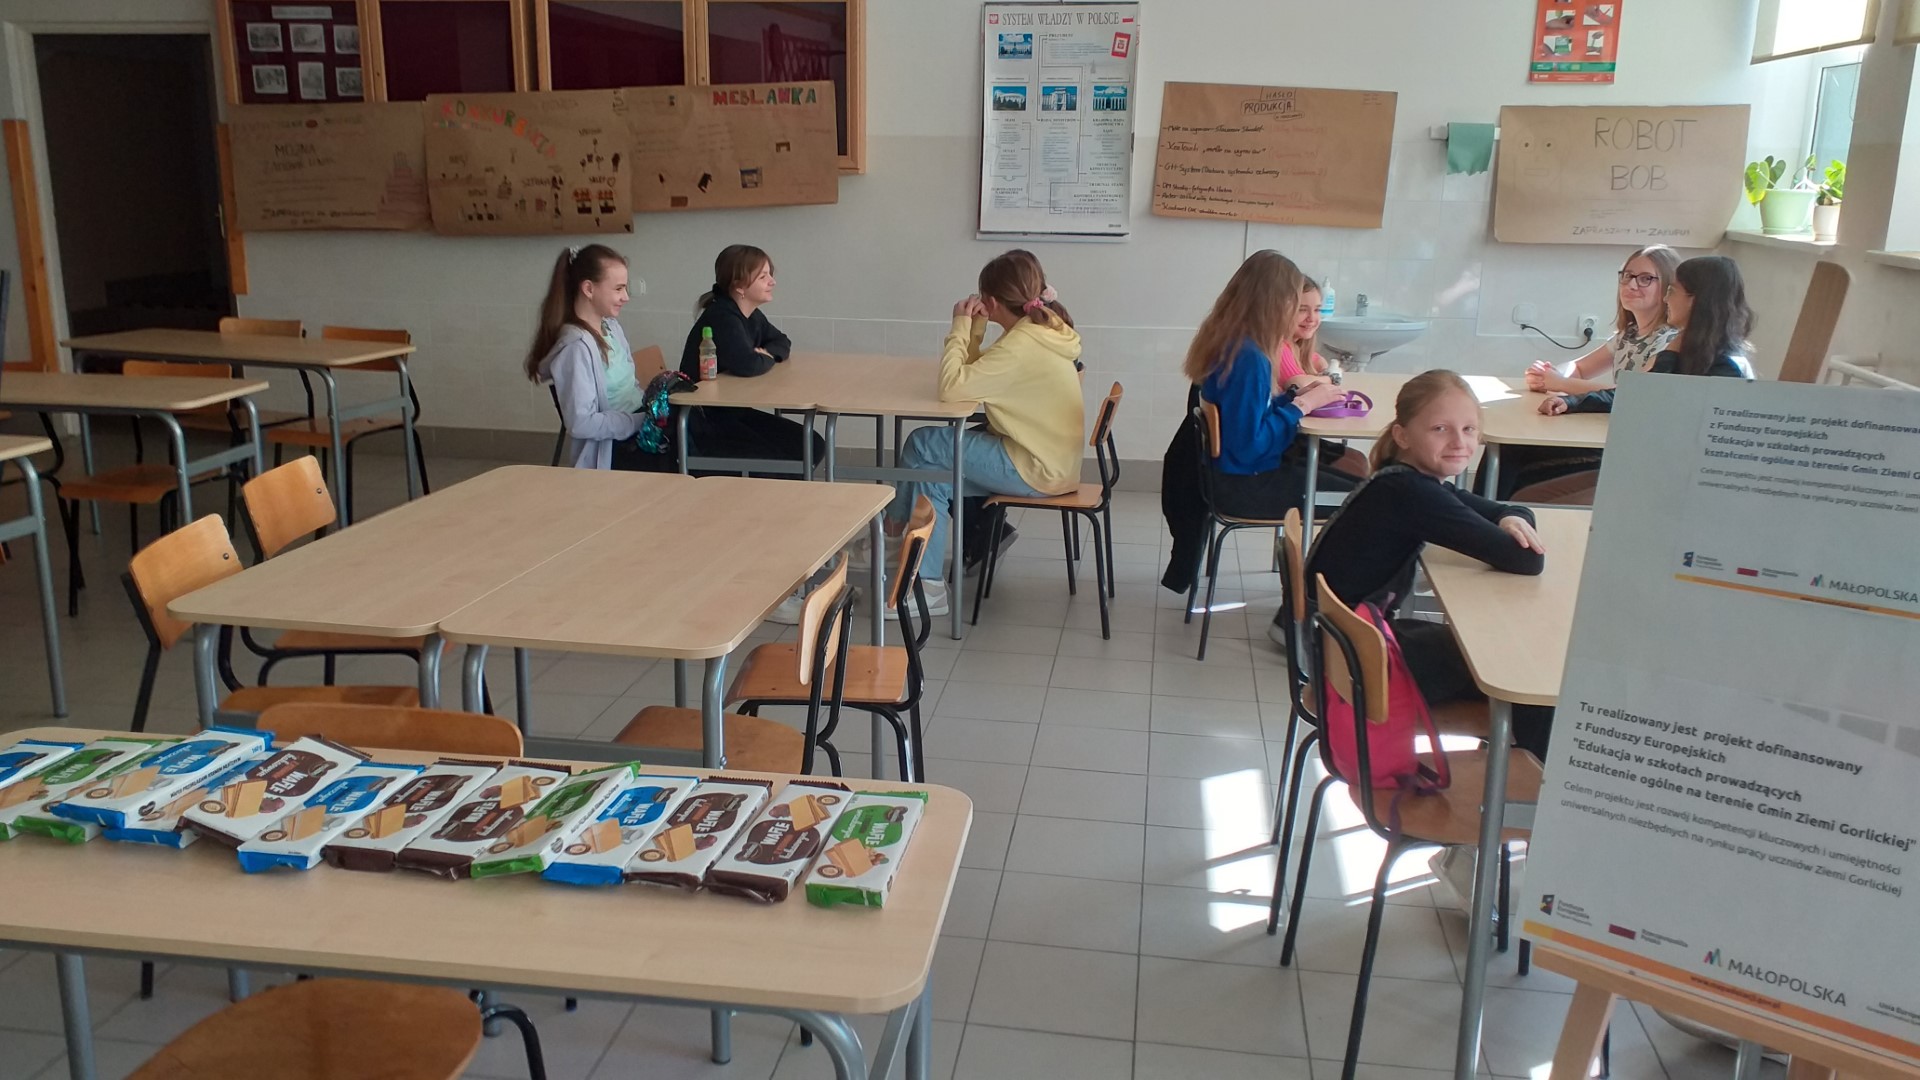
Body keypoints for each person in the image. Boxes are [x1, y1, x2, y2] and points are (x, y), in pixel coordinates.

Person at [1294, 369, 1550, 908]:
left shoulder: (1403, 480)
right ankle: (1498, 841)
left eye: (1470, 430)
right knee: (1526, 682)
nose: (1459, 442)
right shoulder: (1411, 492)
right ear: (1404, 434)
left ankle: (1490, 838)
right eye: (1440, 429)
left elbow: (1500, 513)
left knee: (1502, 663)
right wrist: (1511, 525)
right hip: (1364, 669)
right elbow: (1525, 561)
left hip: (1345, 652)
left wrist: (1511, 517)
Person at [886, 250, 1085, 618]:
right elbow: (981, 374)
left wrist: (959, 327)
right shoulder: (1043, 332)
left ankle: (895, 541)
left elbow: (952, 387)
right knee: (931, 475)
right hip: (1052, 460)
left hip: (1035, 467)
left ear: (991, 302)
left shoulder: (1021, 345)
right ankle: (921, 578)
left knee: (923, 444)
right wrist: (976, 331)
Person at [1486, 245, 1682, 497]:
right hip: (1604, 434)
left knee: (1514, 458)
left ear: (1667, 288)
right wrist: (1551, 376)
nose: (1632, 285)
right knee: (1505, 448)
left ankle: (1498, 514)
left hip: (1623, 449)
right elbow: (1579, 367)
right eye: (1627, 276)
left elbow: (1627, 393)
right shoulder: (1628, 334)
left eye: (1646, 279)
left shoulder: (1669, 340)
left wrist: (1559, 383)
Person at [1187, 251, 1346, 522]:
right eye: (1297, 305)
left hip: (1239, 476)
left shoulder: (1236, 344)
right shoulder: (1249, 358)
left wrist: (1292, 398)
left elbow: (1249, 416)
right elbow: (1250, 445)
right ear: (1276, 304)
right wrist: (1301, 406)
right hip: (1245, 486)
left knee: (1363, 489)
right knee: (1364, 499)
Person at [1542, 254, 1755, 415]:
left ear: (1695, 300)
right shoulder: (1686, 346)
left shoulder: (1727, 367)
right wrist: (1570, 402)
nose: (1666, 299)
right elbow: (1637, 393)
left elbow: (1647, 399)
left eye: (1672, 291)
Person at [678, 244, 825, 467]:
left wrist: (766, 355)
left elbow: (782, 342)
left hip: (733, 411)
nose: (772, 282)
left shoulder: (751, 315)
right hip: (706, 421)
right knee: (789, 458)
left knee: (811, 444)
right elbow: (748, 364)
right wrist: (764, 357)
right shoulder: (723, 317)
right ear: (739, 286)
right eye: (763, 277)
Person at [526, 244, 650, 471]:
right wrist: (639, 422)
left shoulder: (611, 327)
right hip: (613, 450)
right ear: (589, 289)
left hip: (635, 431)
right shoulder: (576, 348)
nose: (625, 297)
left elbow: (629, 388)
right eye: (618, 289)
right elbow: (581, 423)